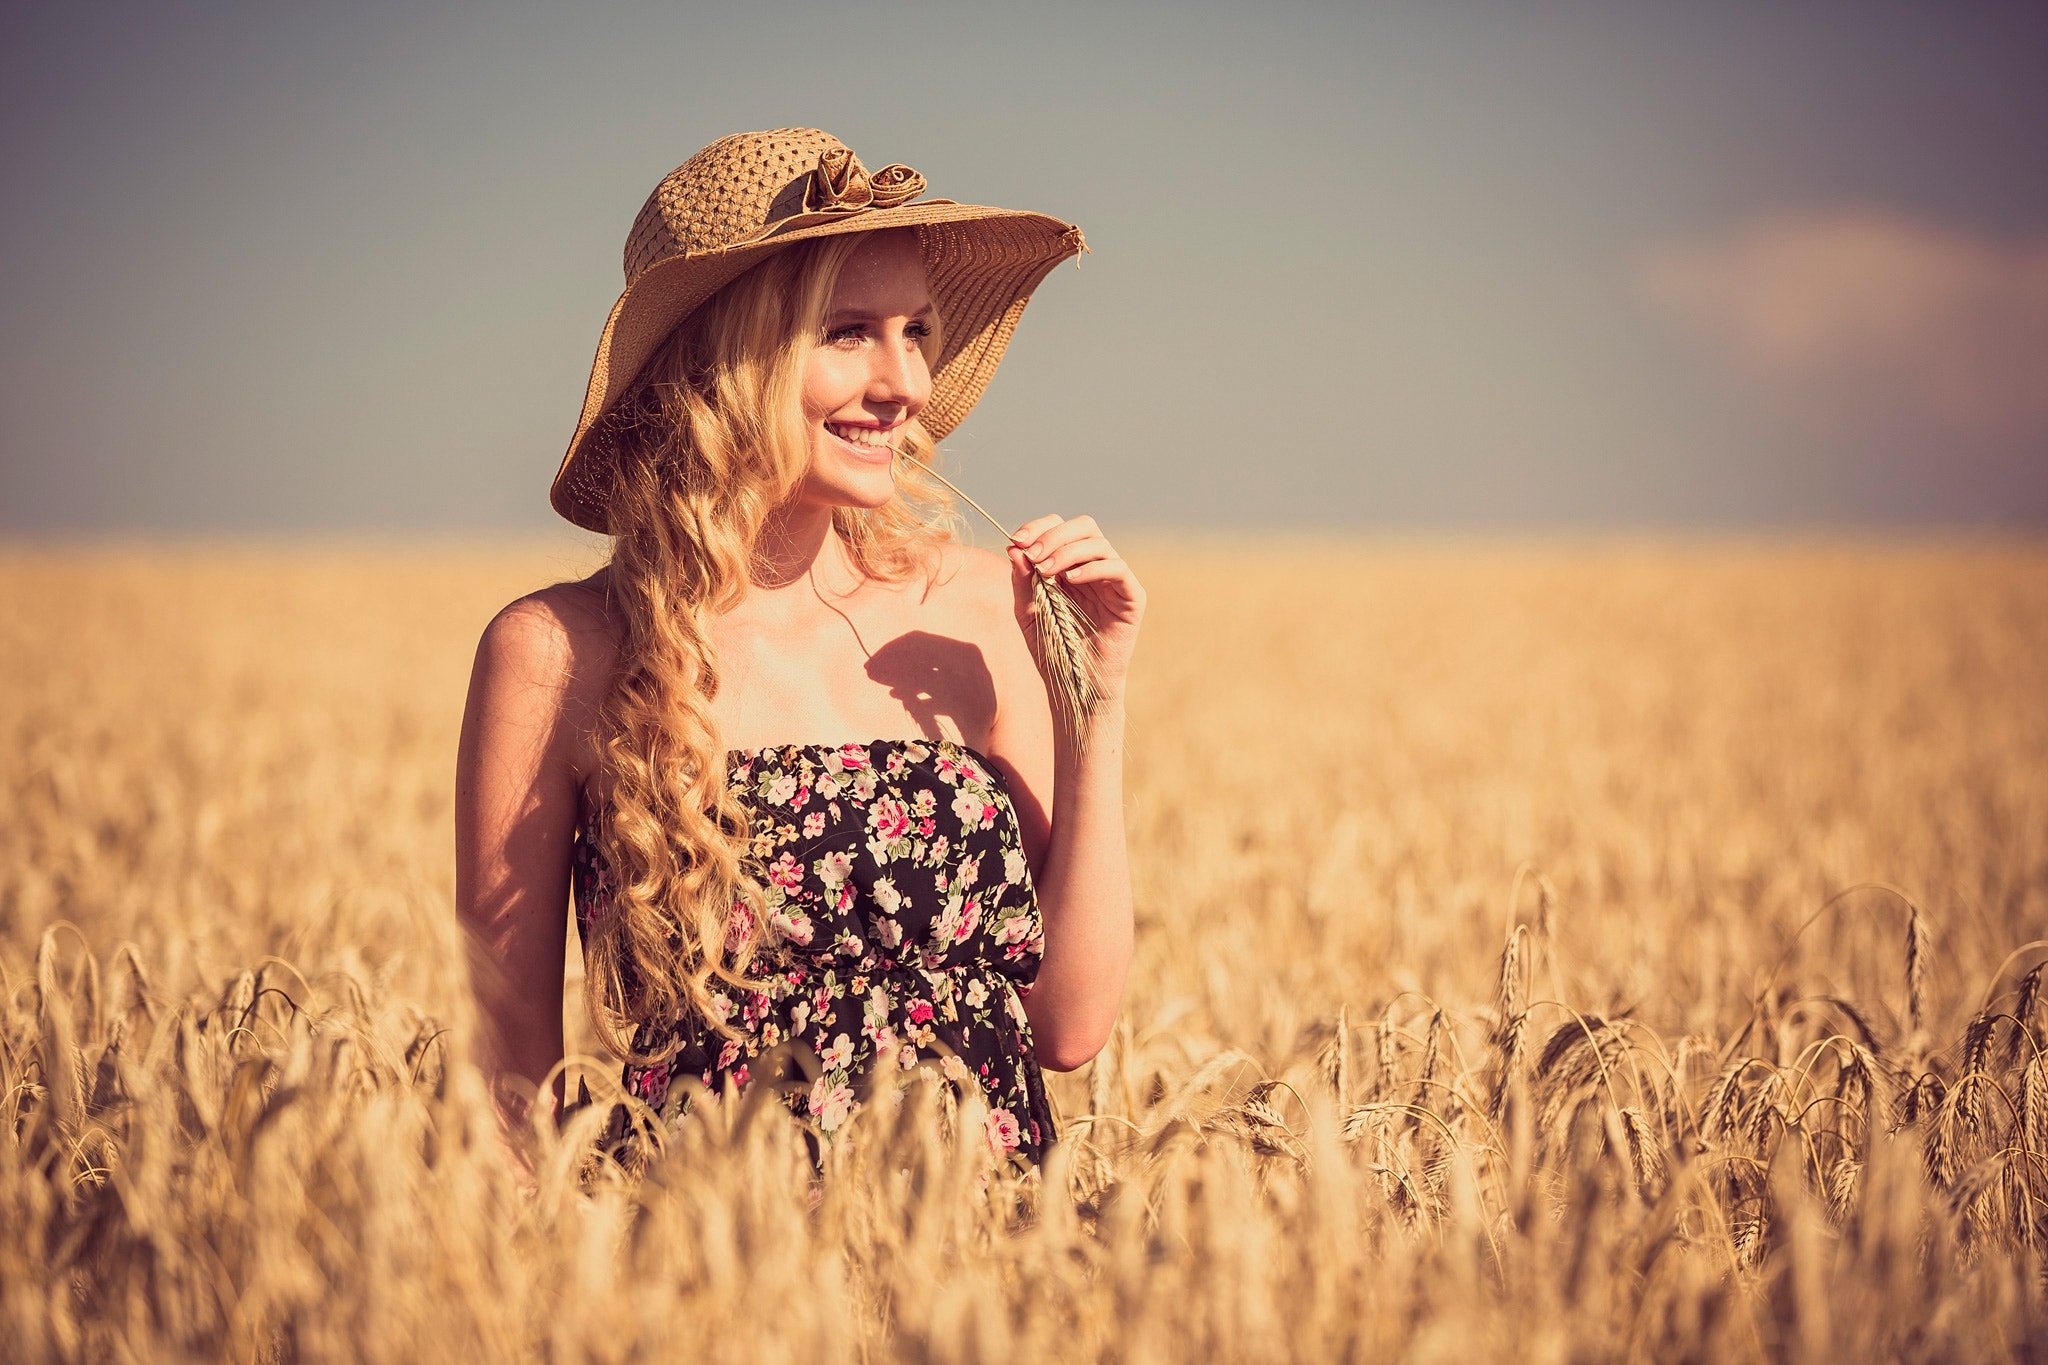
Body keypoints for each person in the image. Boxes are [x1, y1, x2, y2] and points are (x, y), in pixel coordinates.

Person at [454, 128, 1142, 1167]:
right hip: (702, 1274)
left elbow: (1068, 1028)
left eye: (915, 330)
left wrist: (1098, 701)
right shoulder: (559, 651)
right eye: (847, 333)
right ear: (728, 360)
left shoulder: (975, 609)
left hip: (980, 1273)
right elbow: (505, 1089)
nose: (904, 380)